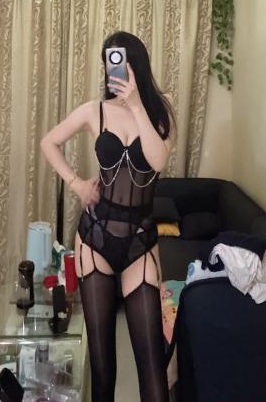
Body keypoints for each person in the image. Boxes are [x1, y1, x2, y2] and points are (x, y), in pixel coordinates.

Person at [40, 31, 175, 402]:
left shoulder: (160, 112)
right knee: (102, 368)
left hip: (140, 242)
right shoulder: (94, 111)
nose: (114, 71)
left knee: (152, 365)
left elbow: (157, 160)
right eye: (109, 63)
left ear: (137, 66)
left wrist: (136, 105)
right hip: (95, 237)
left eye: (121, 62)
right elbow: (49, 142)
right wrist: (77, 184)